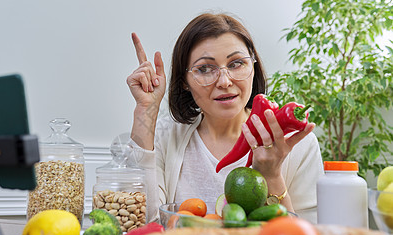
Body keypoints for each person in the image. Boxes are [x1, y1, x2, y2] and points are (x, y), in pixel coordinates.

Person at [126, 12, 324, 223]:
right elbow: (142, 225)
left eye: (236, 63)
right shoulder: (165, 136)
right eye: (204, 68)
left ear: (253, 66)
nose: (224, 81)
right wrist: (145, 111)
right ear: (184, 81)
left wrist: (272, 175)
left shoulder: (298, 144)